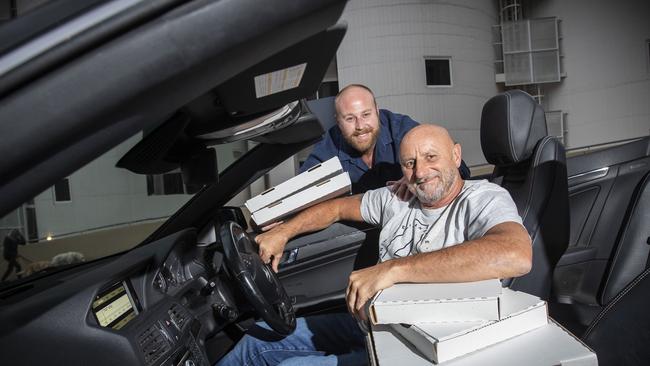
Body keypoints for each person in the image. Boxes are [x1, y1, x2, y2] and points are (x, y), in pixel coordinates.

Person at [218, 124, 532, 366]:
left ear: (456, 155)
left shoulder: (482, 198)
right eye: (410, 163)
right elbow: (337, 208)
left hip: (419, 347)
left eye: (431, 157)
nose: (420, 172)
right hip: (369, 325)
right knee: (256, 340)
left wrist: (392, 269)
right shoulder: (397, 197)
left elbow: (515, 253)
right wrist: (284, 232)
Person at [300, 84, 470, 194]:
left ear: (377, 111)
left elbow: (458, 169)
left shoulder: (403, 130)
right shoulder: (328, 146)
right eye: (350, 119)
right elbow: (302, 190)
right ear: (338, 121)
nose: (360, 126)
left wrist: (415, 179)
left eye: (366, 114)